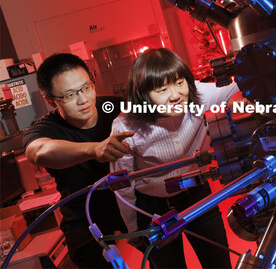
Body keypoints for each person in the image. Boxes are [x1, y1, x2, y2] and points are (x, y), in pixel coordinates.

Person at [111, 48, 237, 268]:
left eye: (179, 83)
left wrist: (238, 102)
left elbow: (239, 87)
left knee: (219, 263)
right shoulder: (126, 125)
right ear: (143, 95)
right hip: (153, 209)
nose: (175, 95)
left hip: (198, 195)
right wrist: (134, 229)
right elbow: (123, 184)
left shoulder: (197, 95)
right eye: (162, 89)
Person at [23, 53, 130, 268]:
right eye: (70, 95)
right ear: (50, 100)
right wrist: (94, 149)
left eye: (86, 87)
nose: (83, 100)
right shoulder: (45, 128)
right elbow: (38, 150)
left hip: (131, 201)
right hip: (85, 214)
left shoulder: (115, 106)